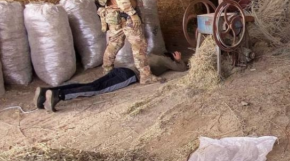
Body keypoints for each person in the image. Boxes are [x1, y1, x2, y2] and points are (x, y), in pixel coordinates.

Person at [34, 52, 186, 112]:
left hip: (121, 69)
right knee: (95, 89)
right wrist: (179, 60)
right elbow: (181, 68)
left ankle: (47, 91)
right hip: (129, 75)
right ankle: (58, 95)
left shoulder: (154, 53)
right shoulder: (164, 59)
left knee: (91, 84)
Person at [98, 0, 162, 85]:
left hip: (113, 15)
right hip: (125, 16)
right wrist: (133, 14)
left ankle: (107, 71)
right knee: (139, 45)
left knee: (115, 43)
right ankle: (146, 76)